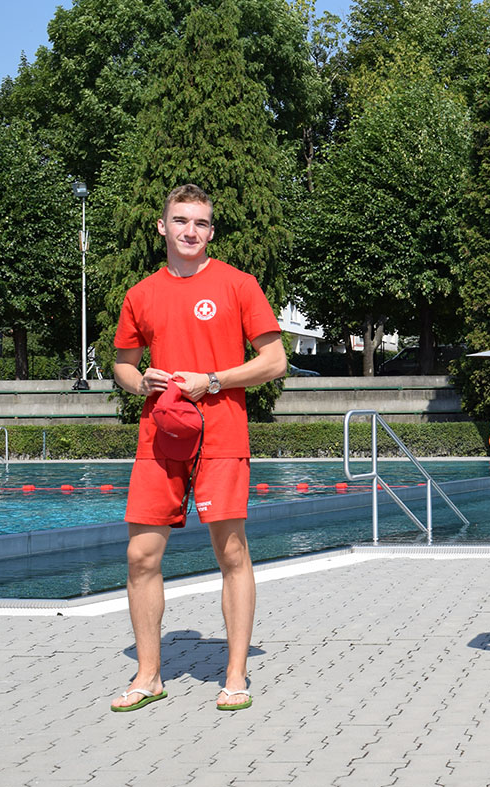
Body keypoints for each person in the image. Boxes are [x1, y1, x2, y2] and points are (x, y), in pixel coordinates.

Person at [109, 184, 286, 712]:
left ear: (211, 231)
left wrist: (213, 379)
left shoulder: (238, 284)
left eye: (202, 224)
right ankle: (148, 675)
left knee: (231, 551)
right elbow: (121, 363)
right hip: (158, 436)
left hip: (221, 432)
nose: (191, 231)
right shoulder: (141, 293)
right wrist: (141, 382)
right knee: (141, 555)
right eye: (181, 221)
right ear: (162, 226)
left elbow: (274, 361)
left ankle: (235, 674)